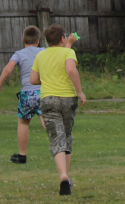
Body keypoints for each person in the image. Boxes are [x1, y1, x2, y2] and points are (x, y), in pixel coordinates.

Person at [31, 24, 87, 196]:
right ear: (63, 38)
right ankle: (67, 179)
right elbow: (70, 69)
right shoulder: (68, 52)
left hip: (48, 99)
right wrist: (79, 91)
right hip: (68, 99)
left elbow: (33, 79)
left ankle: (62, 176)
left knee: (56, 137)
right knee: (67, 135)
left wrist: (48, 77)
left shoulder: (40, 55)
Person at [0, 25, 46, 164]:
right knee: (46, 120)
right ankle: (59, 148)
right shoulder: (44, 51)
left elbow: (8, 69)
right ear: (38, 40)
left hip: (26, 94)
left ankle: (22, 155)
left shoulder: (19, 54)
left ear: (23, 39)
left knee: (23, 123)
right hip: (43, 92)